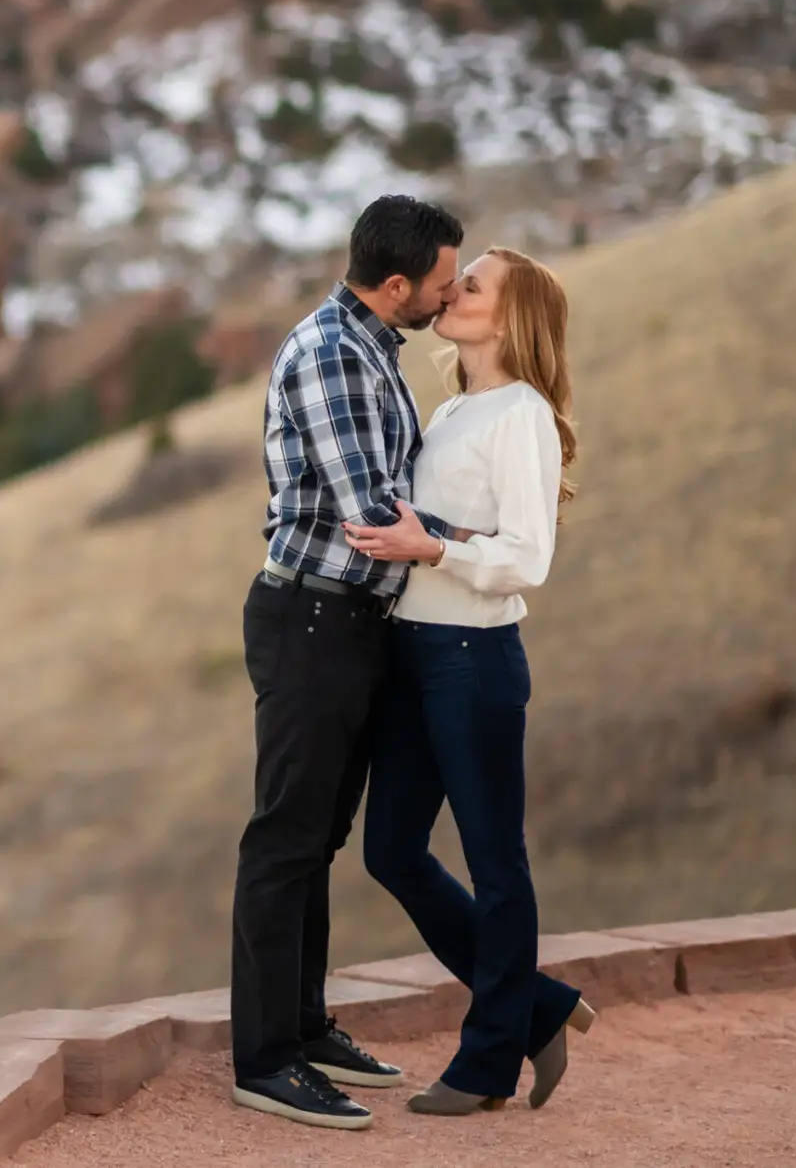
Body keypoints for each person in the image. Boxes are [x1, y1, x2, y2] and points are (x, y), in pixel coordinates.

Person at [229, 195, 464, 1132]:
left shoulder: (372, 347)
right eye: (441, 285)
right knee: (284, 841)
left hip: (350, 624)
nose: (449, 299)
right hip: (312, 621)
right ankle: (265, 1059)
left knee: (317, 838)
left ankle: (306, 1025)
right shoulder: (333, 352)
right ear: (396, 283)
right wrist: (488, 536)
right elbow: (377, 514)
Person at [344, 246, 597, 1114]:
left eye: (473, 284)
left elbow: (529, 557)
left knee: (497, 861)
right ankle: (538, 1008)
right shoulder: (453, 406)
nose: (453, 292)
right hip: (414, 656)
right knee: (391, 850)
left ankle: (490, 1059)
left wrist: (433, 546)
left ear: (510, 315)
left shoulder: (519, 413)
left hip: (473, 661)